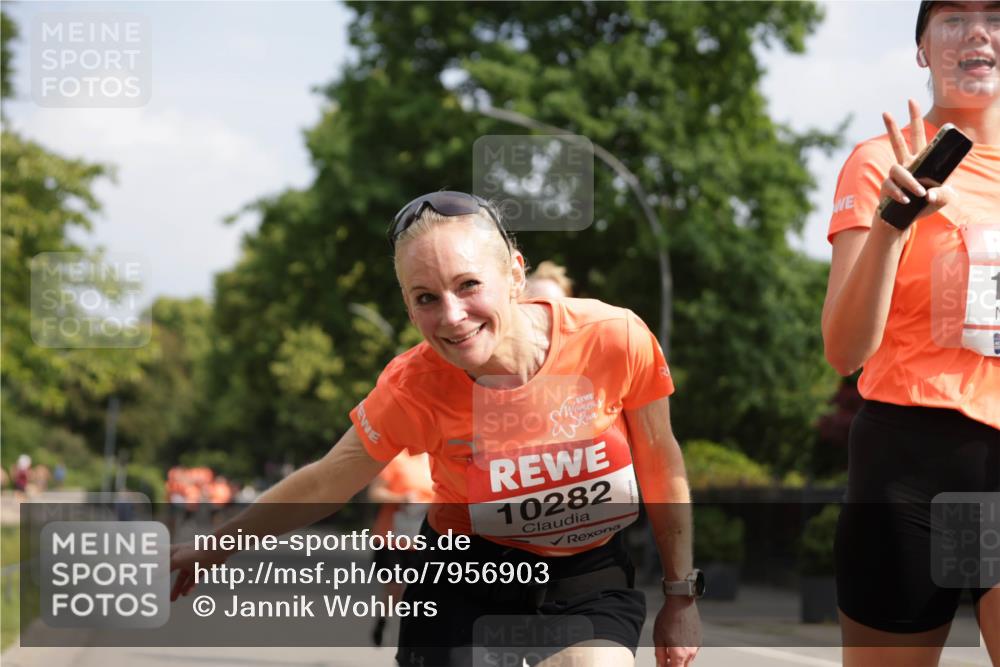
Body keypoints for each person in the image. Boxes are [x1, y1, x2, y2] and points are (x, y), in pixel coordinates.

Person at [171, 191, 702, 666]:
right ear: (408, 305)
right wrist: (213, 546)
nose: (451, 316)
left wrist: (680, 596)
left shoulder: (613, 337)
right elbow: (325, 482)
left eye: (469, 285)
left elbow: (660, 462)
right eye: (425, 298)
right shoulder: (412, 387)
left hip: (588, 570)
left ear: (515, 274)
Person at [822, 3, 999, 665]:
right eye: (953, 17)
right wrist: (894, 224)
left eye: (996, 15)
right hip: (910, 462)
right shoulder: (880, 163)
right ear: (923, 49)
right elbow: (843, 349)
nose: (977, 31)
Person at [366, 450, 434, 646]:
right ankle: (383, 621)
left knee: (416, 593)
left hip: (421, 539)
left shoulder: (435, 461)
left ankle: (408, 641)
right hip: (391, 538)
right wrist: (401, 498)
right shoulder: (397, 460)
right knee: (395, 588)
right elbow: (374, 493)